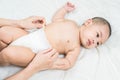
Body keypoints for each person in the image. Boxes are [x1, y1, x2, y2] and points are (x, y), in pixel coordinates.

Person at [0, 2, 111, 79]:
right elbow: (57, 18)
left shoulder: (75, 47)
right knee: (4, 32)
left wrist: (50, 63)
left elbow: (68, 63)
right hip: (31, 35)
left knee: (9, 53)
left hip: (36, 53)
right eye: (97, 35)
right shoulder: (70, 23)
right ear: (88, 22)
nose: (94, 42)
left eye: (98, 43)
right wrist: (64, 9)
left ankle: (3, 59)